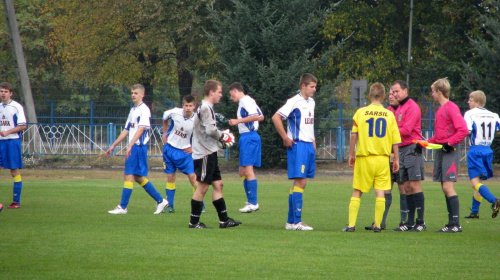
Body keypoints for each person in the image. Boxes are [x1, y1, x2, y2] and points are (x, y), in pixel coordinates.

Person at [342, 83, 401, 232]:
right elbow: (395, 140)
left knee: (357, 191)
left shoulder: (360, 112)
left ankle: (351, 225)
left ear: (369, 96)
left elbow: (354, 135)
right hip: (382, 158)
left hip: (364, 158)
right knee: (380, 191)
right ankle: (377, 225)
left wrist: (351, 154)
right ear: (383, 97)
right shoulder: (389, 115)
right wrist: (396, 159)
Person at [107, 84, 168, 215]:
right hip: (134, 146)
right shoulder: (133, 110)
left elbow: (141, 129)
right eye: (132, 93)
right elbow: (126, 130)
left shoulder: (144, 110)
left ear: (142, 94)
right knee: (138, 177)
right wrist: (114, 145)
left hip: (138, 147)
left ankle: (123, 207)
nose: (133, 95)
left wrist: (130, 145)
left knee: (128, 175)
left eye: (135, 93)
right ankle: (160, 200)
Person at [188, 80, 242, 229]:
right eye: (219, 92)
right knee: (203, 187)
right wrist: (223, 136)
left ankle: (224, 220)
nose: (221, 95)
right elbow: (211, 130)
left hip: (209, 152)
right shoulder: (206, 108)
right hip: (204, 153)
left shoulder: (207, 107)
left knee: (218, 184)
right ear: (211, 92)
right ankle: (194, 223)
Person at [272, 73, 317, 231]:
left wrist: (313, 141)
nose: (314, 89)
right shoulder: (294, 101)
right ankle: (297, 222)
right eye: (312, 86)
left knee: (299, 182)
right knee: (301, 182)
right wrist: (285, 137)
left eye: (315, 86)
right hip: (298, 146)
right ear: (303, 86)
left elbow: (308, 124)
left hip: (308, 146)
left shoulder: (311, 102)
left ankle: (291, 222)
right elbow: (276, 117)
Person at [428, 78, 469, 233]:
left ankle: (456, 224)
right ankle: (451, 222)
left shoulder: (451, 107)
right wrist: (423, 143)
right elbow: (439, 137)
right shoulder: (440, 110)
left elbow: (463, 130)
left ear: (439, 92)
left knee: (447, 186)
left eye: (432, 91)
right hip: (441, 151)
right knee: (444, 187)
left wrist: (449, 143)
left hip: (449, 151)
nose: (431, 94)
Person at [365, 88, 407, 230]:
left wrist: (395, 154)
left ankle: (404, 222)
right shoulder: (388, 111)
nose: (391, 96)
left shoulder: (407, 108)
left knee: (403, 187)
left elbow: (404, 132)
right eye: (389, 94)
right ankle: (380, 221)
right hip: (387, 155)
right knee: (386, 188)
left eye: (394, 94)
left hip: (403, 152)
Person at [391, 80, 426, 232]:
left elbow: (406, 129)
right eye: (393, 91)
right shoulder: (399, 108)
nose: (394, 94)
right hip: (402, 148)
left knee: (414, 185)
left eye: (397, 91)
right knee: (405, 186)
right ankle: (410, 222)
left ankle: (420, 222)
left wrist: (391, 131)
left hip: (412, 148)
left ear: (405, 91)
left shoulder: (412, 107)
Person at [462, 90, 500, 219]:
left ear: (477, 102)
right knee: (479, 181)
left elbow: (467, 131)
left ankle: (494, 200)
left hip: (476, 150)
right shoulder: (493, 115)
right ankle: (474, 211)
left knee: (474, 182)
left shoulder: (470, 114)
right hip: (488, 150)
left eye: (470, 100)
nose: (468, 102)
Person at [228, 82, 264, 213]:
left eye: (231, 94)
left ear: (235, 90)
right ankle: (250, 201)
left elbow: (255, 116)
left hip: (249, 137)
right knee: (242, 172)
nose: (231, 97)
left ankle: (253, 203)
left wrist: (237, 121)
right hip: (248, 137)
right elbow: (261, 116)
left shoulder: (245, 101)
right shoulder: (248, 101)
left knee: (248, 171)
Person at [161, 94, 200, 213]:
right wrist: (165, 133)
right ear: (182, 106)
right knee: (170, 177)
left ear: (194, 107)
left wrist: (194, 148)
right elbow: (165, 116)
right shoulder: (175, 112)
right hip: (170, 149)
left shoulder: (197, 119)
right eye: (186, 105)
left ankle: (200, 203)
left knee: (193, 177)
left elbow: (202, 135)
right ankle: (170, 206)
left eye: (190, 106)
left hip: (185, 152)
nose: (188, 108)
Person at [0, 82, 27, 209]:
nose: (3, 93)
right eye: (1, 91)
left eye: (5, 91)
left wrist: (7, 132)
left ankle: (16, 201)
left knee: (14, 171)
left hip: (12, 141)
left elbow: (22, 125)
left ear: (10, 93)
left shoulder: (17, 107)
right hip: (0, 142)